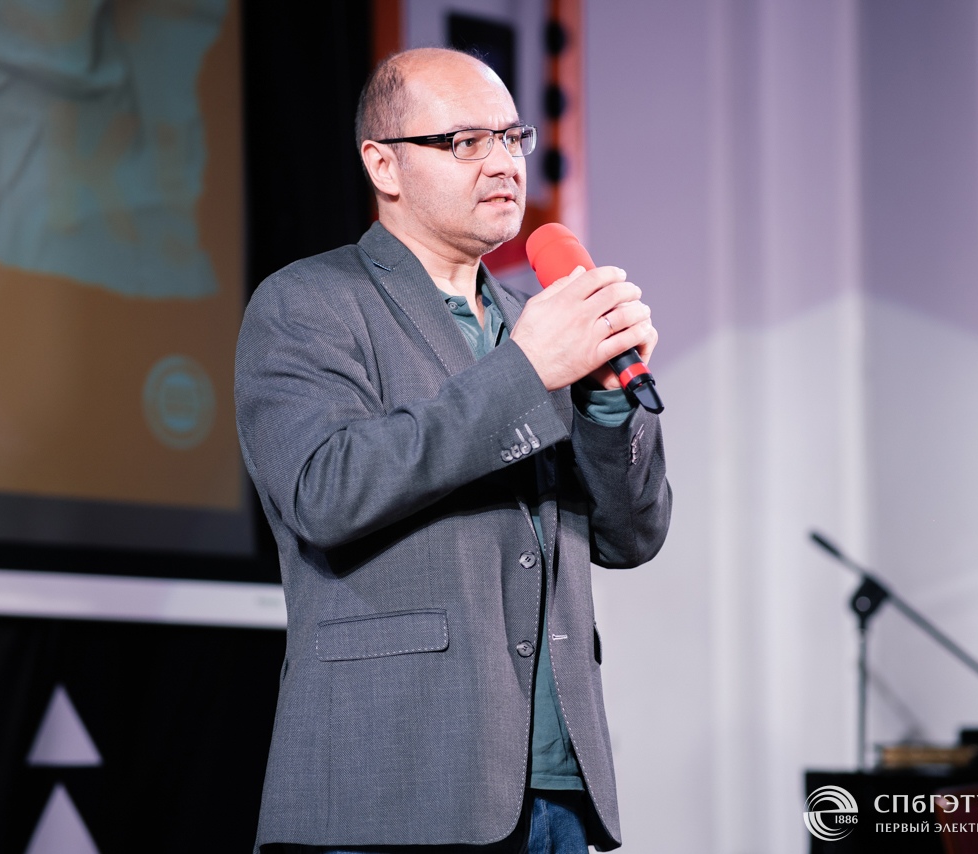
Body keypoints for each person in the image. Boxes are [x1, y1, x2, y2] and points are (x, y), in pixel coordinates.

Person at [235, 47, 671, 853]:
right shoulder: (309, 302)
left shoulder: (532, 321)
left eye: (512, 137)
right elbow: (325, 492)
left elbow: (630, 535)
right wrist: (525, 372)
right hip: (395, 776)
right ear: (384, 165)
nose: (503, 163)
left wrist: (608, 403)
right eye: (466, 142)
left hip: (555, 790)